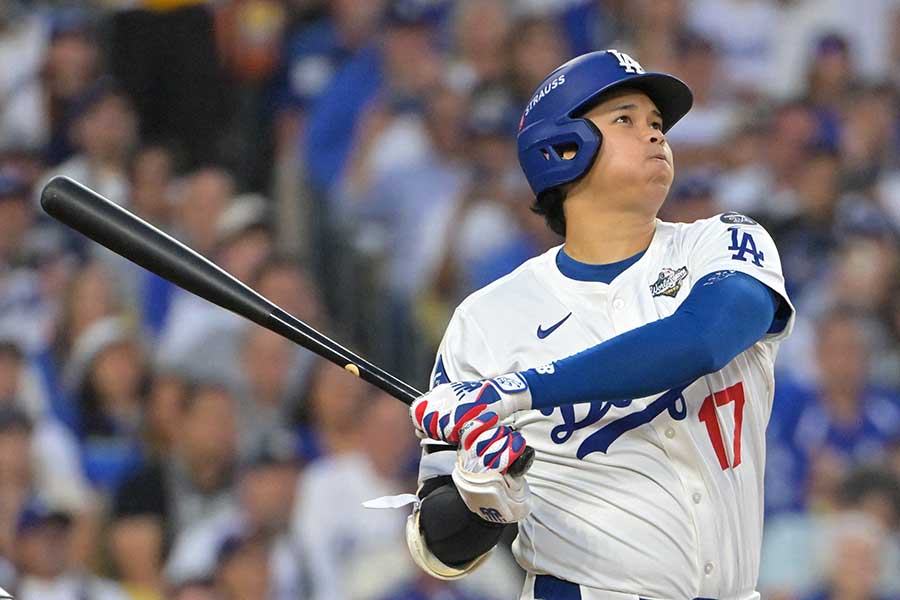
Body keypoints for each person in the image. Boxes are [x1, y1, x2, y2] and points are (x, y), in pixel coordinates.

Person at [405, 50, 795, 600]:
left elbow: (701, 340)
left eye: (657, 124)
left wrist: (518, 391)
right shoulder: (487, 319)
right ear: (561, 149)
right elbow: (438, 551)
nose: (656, 135)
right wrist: (482, 494)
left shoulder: (724, 242)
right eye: (626, 120)